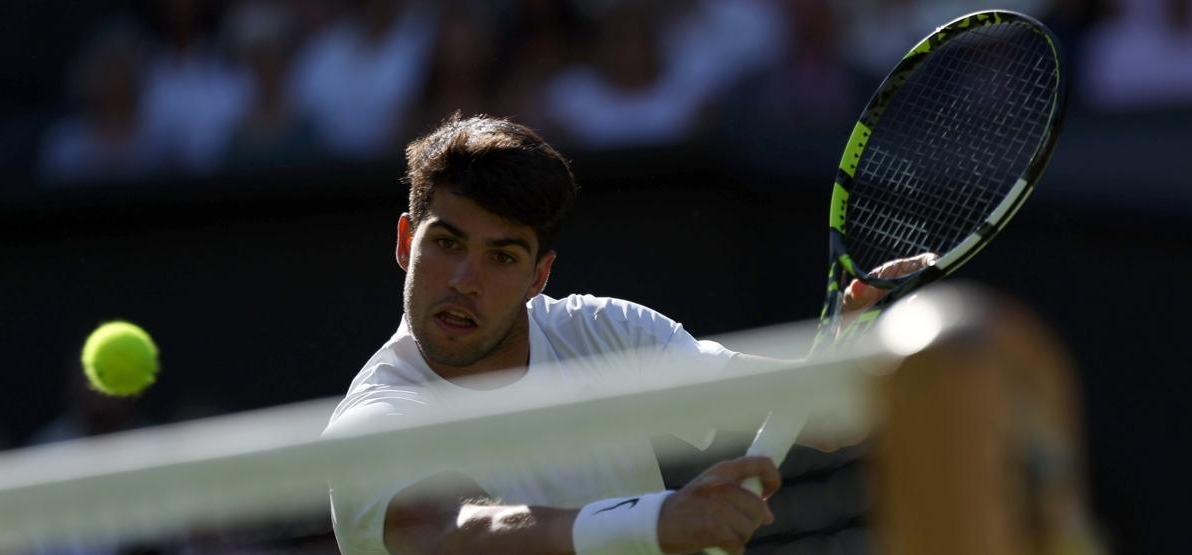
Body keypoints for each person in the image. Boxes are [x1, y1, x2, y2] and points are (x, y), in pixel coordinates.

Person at [324, 113, 923, 555]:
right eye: (447, 244)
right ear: (407, 242)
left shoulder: (605, 333)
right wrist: (656, 522)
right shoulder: (373, 416)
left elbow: (824, 423)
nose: (465, 281)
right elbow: (450, 532)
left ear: (539, 275)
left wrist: (846, 352)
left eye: (501, 258)